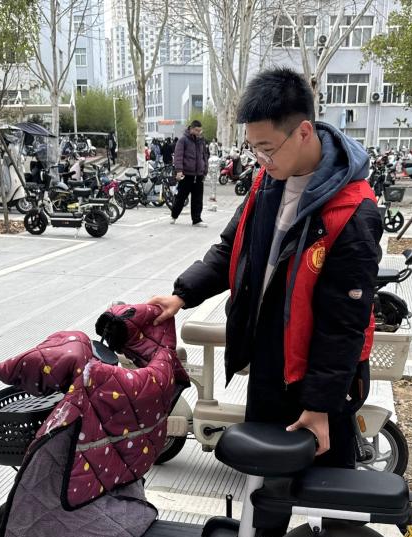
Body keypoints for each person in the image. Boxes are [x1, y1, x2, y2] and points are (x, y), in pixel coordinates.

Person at [149, 67, 382, 475]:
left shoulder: (352, 211)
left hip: (319, 379)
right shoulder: (267, 183)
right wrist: (182, 295)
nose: (261, 159)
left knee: (320, 491)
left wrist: (319, 405)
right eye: (254, 148)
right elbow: (231, 250)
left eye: (268, 148)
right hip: (270, 360)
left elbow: (345, 323)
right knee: (266, 486)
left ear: (304, 132)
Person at [169, 120, 209, 225]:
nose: (198, 133)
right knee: (181, 197)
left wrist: (205, 170)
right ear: (191, 129)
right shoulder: (183, 140)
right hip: (186, 174)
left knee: (198, 199)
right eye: (196, 130)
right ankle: (174, 215)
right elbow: (178, 156)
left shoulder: (201, 141)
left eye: (200, 131)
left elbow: (204, 156)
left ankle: (197, 220)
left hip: (199, 174)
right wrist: (179, 171)